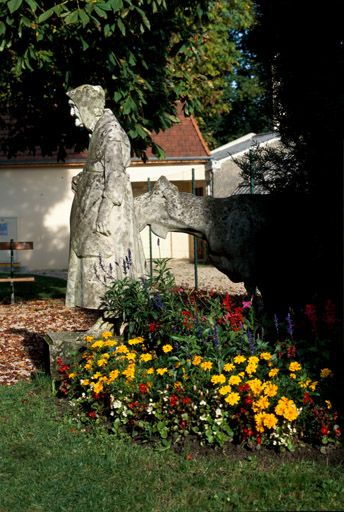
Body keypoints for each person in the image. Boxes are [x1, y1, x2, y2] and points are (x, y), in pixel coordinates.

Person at [65, 84, 146, 310]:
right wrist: (84, 179)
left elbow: (116, 176)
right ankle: (104, 318)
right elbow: (101, 168)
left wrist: (103, 211)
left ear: (88, 106)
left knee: (101, 259)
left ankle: (110, 317)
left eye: (74, 107)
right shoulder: (99, 131)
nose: (72, 113)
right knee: (92, 258)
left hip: (104, 211)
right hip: (92, 207)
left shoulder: (111, 133)